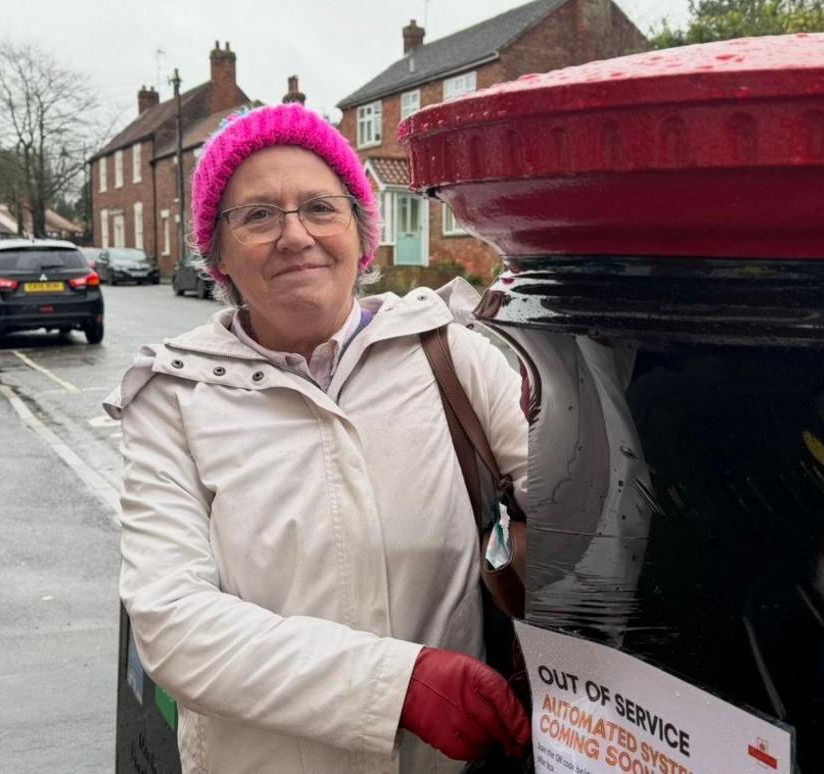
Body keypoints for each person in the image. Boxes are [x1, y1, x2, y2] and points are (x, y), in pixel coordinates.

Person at [103, 103, 530, 774]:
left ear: (364, 236)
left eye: (321, 209)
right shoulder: (173, 397)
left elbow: (566, 512)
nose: (295, 235)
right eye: (258, 216)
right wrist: (397, 688)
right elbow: (174, 624)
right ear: (216, 254)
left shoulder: (451, 355)